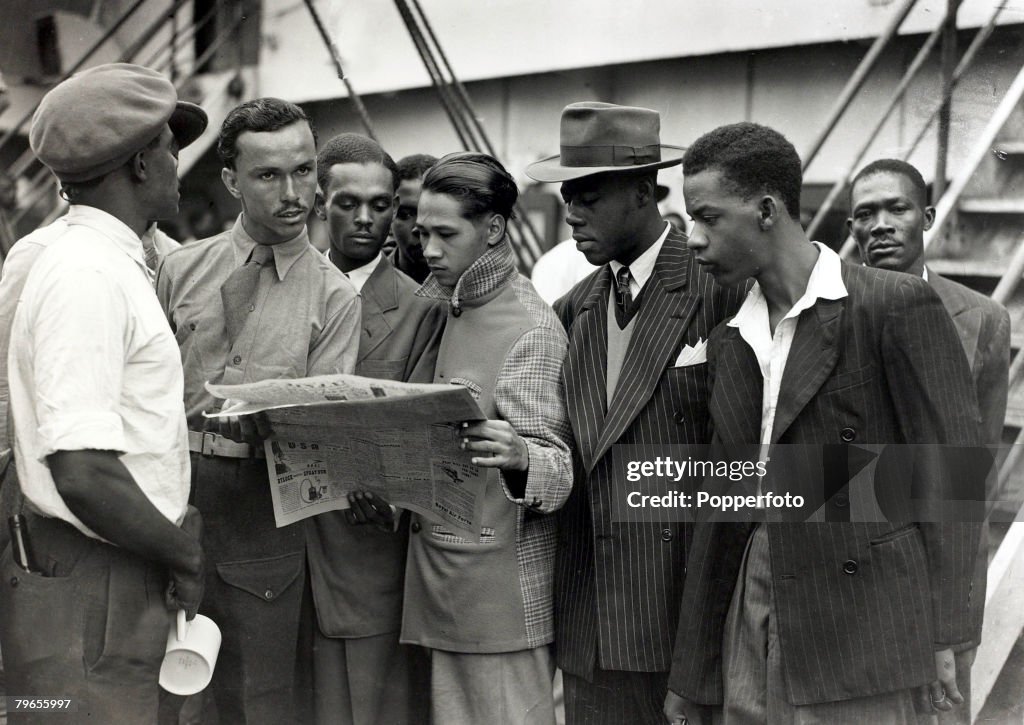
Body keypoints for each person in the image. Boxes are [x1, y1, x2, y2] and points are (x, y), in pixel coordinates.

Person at [664, 123, 983, 724]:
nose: (696, 240)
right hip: (754, 599)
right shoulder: (731, 338)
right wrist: (692, 670)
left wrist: (948, 635)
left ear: (766, 210)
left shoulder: (891, 305)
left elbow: (953, 479)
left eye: (706, 218)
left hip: (865, 620)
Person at [523, 102, 745, 724]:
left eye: (589, 194)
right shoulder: (573, 308)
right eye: (568, 194)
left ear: (645, 193)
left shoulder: (721, 292)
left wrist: (701, 656)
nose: (572, 211)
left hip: (681, 621)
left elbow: (743, 475)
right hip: (591, 625)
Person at [0, 62, 207, 723]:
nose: (179, 164)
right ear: (142, 164)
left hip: (115, 559)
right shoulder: (86, 274)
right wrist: (183, 552)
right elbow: (82, 467)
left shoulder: (103, 260)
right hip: (100, 570)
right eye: (172, 150)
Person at [156, 97, 360, 724]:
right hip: (169, 494)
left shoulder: (334, 296)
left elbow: (320, 436)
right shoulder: (178, 270)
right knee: (160, 688)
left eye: (304, 171)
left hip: (261, 509)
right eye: (269, 175)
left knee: (256, 698)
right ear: (230, 181)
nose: (293, 191)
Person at [352, 151, 572, 724]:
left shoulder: (529, 328)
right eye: (421, 232)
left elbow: (560, 468)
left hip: (496, 599)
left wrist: (524, 455)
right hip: (438, 584)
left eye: (445, 234)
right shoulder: (445, 306)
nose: (427, 250)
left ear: (494, 229)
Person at [848, 157, 1010, 725]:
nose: (882, 224)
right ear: (851, 230)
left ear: (928, 217)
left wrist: (954, 623)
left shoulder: (981, 318)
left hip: (937, 566)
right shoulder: (832, 312)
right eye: (865, 214)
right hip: (853, 567)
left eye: (898, 208)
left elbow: (973, 476)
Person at [304, 132, 444, 724]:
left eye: (381, 205)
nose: (366, 219)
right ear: (319, 203)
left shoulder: (420, 310)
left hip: (360, 558)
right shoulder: (284, 287)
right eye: (347, 203)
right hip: (274, 554)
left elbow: (425, 435)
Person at [388, 153, 437, 283]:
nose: (418, 228)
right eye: (405, 215)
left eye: (433, 212)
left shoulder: (483, 284)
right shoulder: (363, 290)